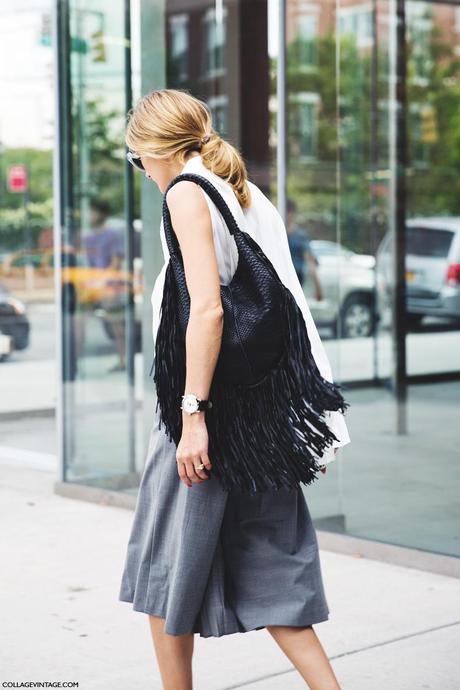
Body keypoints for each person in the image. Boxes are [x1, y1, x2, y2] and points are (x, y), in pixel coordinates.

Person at [118, 88, 350, 690]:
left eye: (135, 157)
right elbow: (291, 308)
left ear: (150, 148)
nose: (139, 169)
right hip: (260, 421)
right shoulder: (239, 191)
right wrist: (304, 423)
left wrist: (192, 416)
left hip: (207, 417)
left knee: (165, 573)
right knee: (276, 569)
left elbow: (209, 312)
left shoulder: (187, 194)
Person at [286, 198, 323, 301]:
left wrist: (318, 287)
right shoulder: (275, 234)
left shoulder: (300, 236)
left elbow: (310, 262)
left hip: (295, 282)